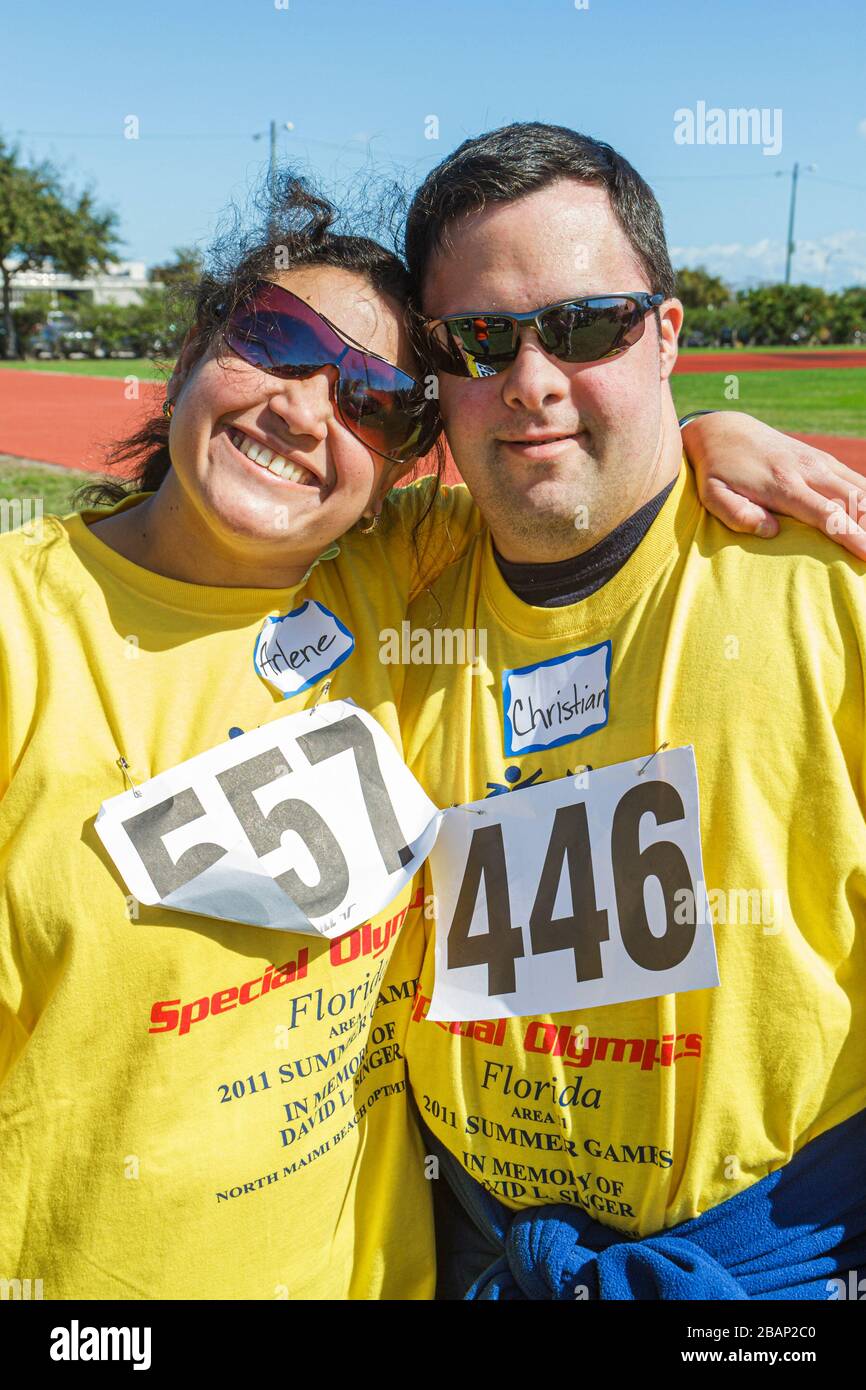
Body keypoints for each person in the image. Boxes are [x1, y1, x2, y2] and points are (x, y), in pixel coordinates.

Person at [0, 167, 857, 1303]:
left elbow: (584, 483)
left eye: (374, 398)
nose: (310, 411)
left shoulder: (393, 573)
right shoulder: (43, 624)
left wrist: (692, 428)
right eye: (479, 346)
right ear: (196, 342)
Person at [397, 123, 866, 1300]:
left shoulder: (831, 581)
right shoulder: (382, 602)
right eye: (480, 339)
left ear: (663, 334)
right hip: (476, 1249)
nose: (532, 379)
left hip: (767, 1275)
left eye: (585, 323)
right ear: (433, 373)